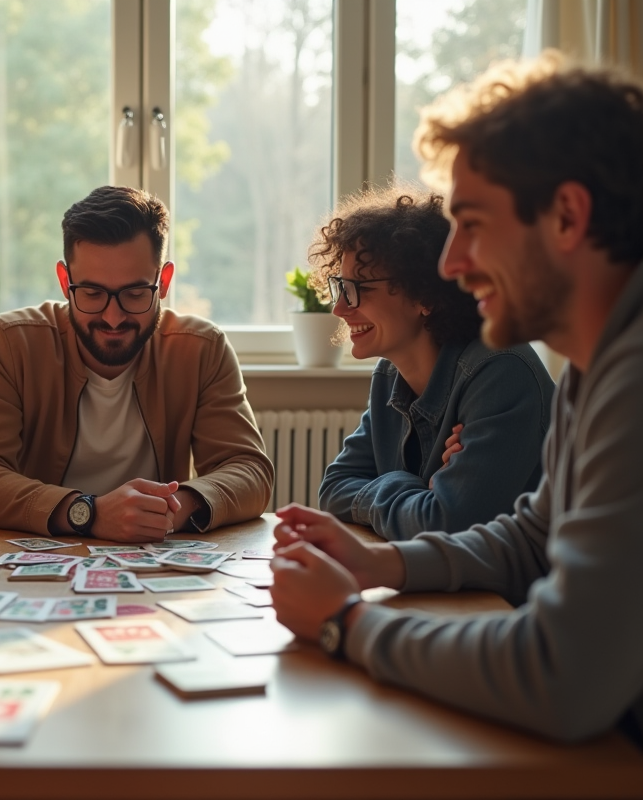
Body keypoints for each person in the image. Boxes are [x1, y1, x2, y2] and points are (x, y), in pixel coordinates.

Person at [270, 52, 643, 743]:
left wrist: (346, 623)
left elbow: (563, 674)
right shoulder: (596, 368)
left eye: (473, 223)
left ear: (566, 216)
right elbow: (532, 536)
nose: (450, 264)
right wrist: (381, 562)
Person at [0, 185, 274, 542]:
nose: (113, 318)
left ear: (163, 282)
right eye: (92, 293)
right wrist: (89, 513)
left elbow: (250, 471)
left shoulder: (201, 349)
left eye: (134, 294)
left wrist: (168, 511)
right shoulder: (9, 344)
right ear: (65, 281)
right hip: (43, 554)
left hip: (153, 554)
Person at [311, 186, 554, 540]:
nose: (339, 308)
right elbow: (333, 490)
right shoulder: (390, 375)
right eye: (340, 286)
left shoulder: (501, 373)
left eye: (357, 288)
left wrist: (400, 491)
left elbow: (446, 524)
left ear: (424, 295)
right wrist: (417, 487)